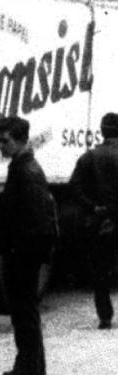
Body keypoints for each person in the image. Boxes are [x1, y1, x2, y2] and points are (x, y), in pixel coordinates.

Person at [0, 116, 58, 375]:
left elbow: (37, 219)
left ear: (21, 140)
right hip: (23, 251)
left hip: (22, 254)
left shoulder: (25, 170)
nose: (1, 146)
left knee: (23, 310)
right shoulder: (22, 166)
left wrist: (20, 251)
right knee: (25, 310)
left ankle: (27, 369)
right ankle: (32, 366)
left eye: (5, 141)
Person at [68, 112, 118, 329]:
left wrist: (92, 206)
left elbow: (74, 186)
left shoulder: (89, 157)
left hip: (101, 220)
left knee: (100, 270)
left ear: (101, 131)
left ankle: (105, 317)